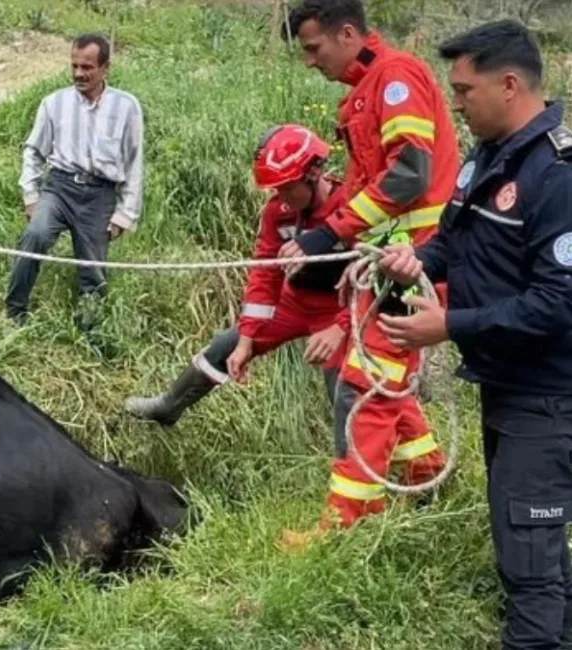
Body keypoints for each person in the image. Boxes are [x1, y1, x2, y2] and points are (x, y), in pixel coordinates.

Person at [377, 20, 572, 650]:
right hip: (504, 384)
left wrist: (448, 324)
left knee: (531, 568)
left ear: (509, 84)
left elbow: (557, 302)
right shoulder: (490, 154)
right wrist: (420, 261)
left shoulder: (557, 177)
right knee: (538, 553)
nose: (454, 102)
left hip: (547, 399)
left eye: (464, 90)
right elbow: (459, 242)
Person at [277, 0, 457, 540]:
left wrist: (330, 233)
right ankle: (426, 475)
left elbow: (409, 175)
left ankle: (344, 525)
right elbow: (368, 186)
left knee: (365, 386)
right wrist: (325, 241)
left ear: (349, 32)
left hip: (416, 260)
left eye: (314, 48)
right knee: (388, 379)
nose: (311, 62)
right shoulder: (365, 92)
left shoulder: (395, 78)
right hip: (389, 262)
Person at [124, 124, 354, 451]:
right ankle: (168, 406)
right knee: (226, 346)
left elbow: (375, 275)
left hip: (342, 310)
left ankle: (355, 475)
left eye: (287, 188)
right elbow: (265, 275)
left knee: (344, 387)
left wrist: (343, 327)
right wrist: (247, 339)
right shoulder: (278, 213)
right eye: (277, 190)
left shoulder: (352, 208)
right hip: (294, 303)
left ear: (313, 174)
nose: (282, 198)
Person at [6, 33, 145, 329]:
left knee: (93, 269)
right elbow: (33, 151)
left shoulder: (127, 107)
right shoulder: (53, 103)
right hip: (59, 187)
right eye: (75, 66)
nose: (79, 74)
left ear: (105, 68)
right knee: (35, 237)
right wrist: (31, 196)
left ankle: (89, 331)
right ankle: (14, 315)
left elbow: (134, 163)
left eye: (87, 67)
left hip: (100, 195)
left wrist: (125, 214)